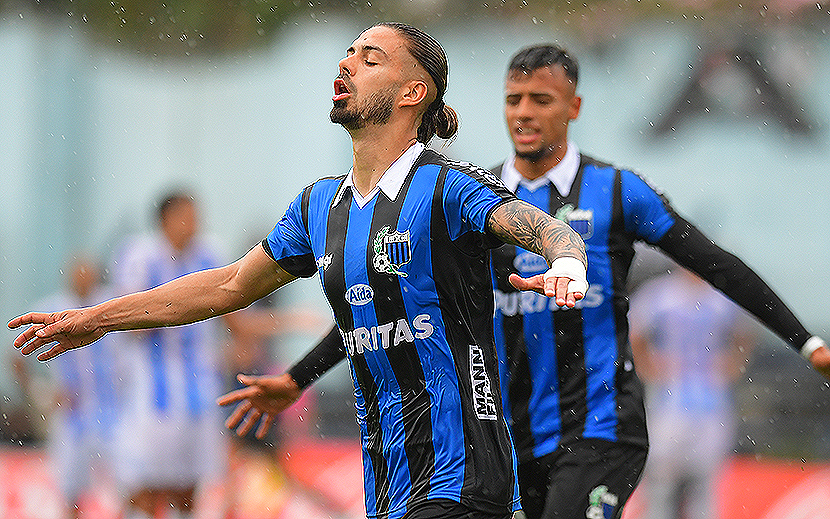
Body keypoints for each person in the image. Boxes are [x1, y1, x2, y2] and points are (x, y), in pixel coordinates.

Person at [9, 23, 589, 519]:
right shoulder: (318, 208)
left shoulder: (447, 187)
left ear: (414, 91)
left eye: (370, 58)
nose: (347, 64)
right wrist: (99, 318)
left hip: (461, 477)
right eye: (347, 55)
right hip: (386, 482)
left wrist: (566, 260)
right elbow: (231, 286)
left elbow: (543, 228)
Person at [237, 42, 830, 519]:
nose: (523, 113)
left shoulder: (619, 192)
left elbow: (716, 263)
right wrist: (297, 376)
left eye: (541, 99)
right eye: (513, 99)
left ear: (572, 108)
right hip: (508, 433)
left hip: (599, 429)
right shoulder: (473, 198)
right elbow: (401, 304)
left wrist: (805, 342)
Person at [106, 191, 231, 519]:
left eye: (196, 216)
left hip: (200, 389)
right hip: (152, 390)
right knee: (145, 482)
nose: (193, 225)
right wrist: (169, 310)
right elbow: (127, 320)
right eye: (185, 216)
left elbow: (234, 313)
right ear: (165, 220)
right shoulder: (140, 256)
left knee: (190, 484)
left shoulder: (211, 254)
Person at [629, 266, 755, 519]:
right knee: (661, 479)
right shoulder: (660, 293)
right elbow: (634, 333)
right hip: (669, 399)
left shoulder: (721, 299)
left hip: (712, 400)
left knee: (707, 482)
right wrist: (649, 368)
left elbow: (746, 335)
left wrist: (731, 367)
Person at [14, 256, 120, 519]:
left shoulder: (110, 304)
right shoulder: (53, 309)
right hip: (73, 416)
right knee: (71, 492)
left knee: (128, 485)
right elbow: (16, 356)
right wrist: (41, 393)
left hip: (113, 412)